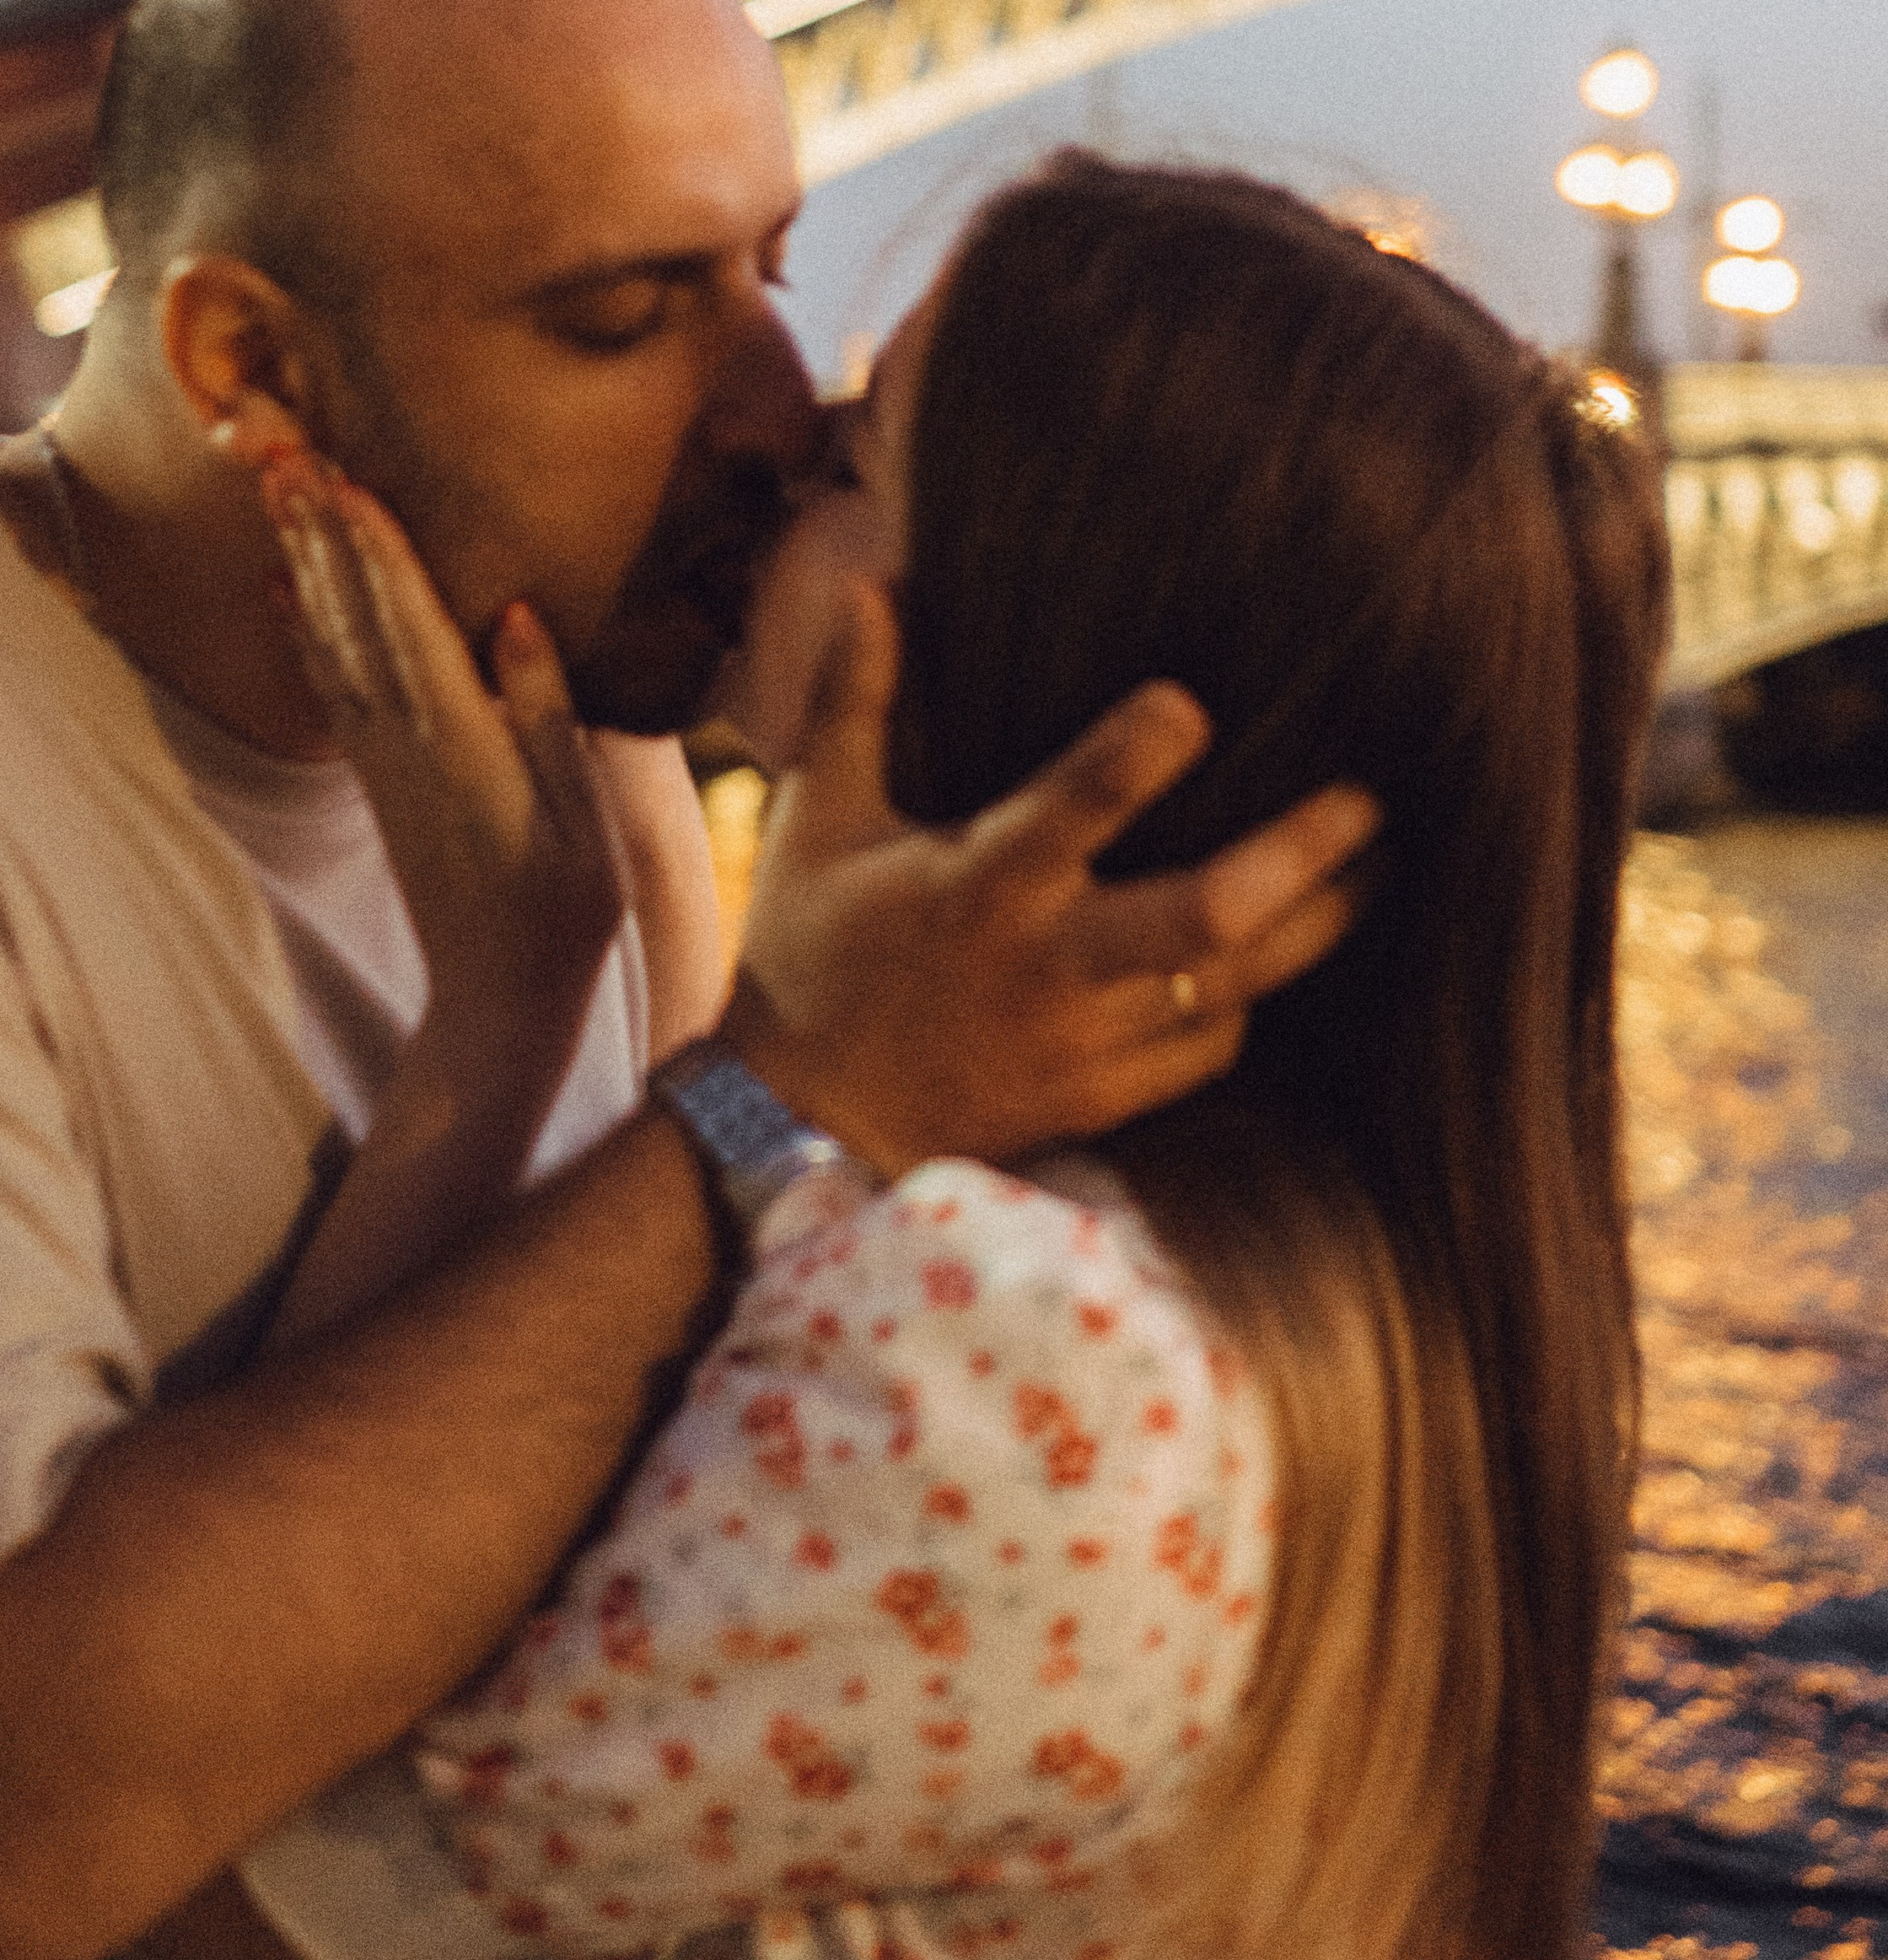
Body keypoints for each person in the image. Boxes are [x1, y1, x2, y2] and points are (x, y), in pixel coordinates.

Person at [0, 0, 1370, 1960]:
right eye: (624, 316)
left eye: (769, 270)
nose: (785, 416)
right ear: (253, 365)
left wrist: (547, 1025)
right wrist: (787, 1094)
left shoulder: (585, 719)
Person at [230, 156, 1668, 1960]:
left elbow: (169, 1849)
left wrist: (543, 1017)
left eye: (851, 461)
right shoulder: (1309, 1277)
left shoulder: (1013, 1341)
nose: (768, 451)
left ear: (1029, 630)